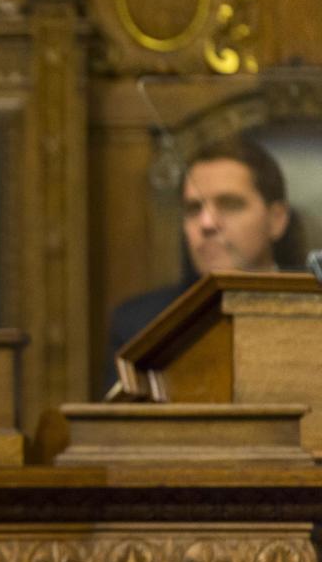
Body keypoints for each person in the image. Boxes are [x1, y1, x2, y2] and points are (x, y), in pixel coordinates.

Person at [105, 137, 301, 389]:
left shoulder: (314, 309)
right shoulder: (138, 324)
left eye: (229, 204)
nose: (207, 223)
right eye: (193, 208)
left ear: (277, 219)